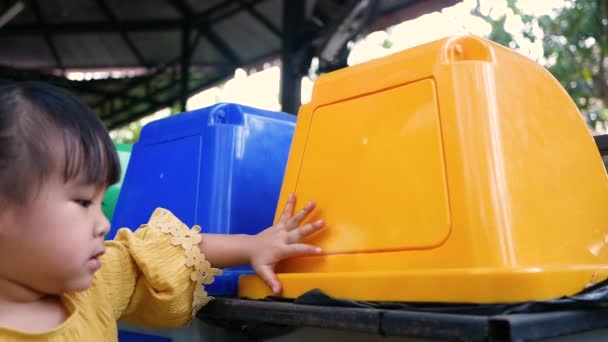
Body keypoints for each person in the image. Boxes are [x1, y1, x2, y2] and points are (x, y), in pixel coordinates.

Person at [0, 81, 325, 341]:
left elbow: (166, 255)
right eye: (84, 202)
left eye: (101, 202)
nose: (103, 223)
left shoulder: (95, 287)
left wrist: (253, 245)